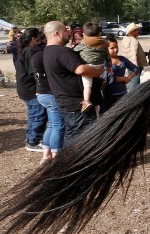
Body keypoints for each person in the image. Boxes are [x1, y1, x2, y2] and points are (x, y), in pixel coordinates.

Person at [42, 20, 103, 146]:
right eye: (66, 30)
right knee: (81, 139)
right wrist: (98, 71)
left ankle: (67, 163)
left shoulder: (48, 51)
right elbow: (80, 69)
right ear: (57, 33)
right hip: (77, 105)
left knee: (72, 135)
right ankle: (74, 163)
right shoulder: (62, 52)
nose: (69, 32)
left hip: (66, 103)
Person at [13, 27, 46, 151]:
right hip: (30, 88)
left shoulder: (24, 50)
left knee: (33, 114)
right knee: (39, 114)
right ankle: (33, 141)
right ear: (33, 38)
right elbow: (33, 71)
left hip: (24, 88)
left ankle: (31, 138)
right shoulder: (29, 51)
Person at [33, 29, 59, 165]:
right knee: (58, 126)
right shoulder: (47, 54)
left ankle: (46, 154)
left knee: (52, 125)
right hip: (50, 94)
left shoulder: (35, 54)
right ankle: (56, 158)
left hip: (41, 93)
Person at [74, 21, 111, 113]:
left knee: (87, 85)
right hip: (100, 65)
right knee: (95, 78)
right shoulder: (104, 43)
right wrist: (109, 66)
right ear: (99, 33)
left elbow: (74, 51)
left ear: (84, 34)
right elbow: (107, 56)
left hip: (88, 66)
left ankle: (86, 101)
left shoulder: (84, 44)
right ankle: (100, 81)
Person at [102, 37, 139, 109]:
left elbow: (135, 69)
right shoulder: (103, 61)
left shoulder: (122, 59)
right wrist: (123, 79)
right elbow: (108, 77)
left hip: (122, 93)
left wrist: (128, 78)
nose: (115, 50)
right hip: (108, 95)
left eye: (116, 47)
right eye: (112, 48)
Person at [118, 23, 145, 91]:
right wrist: (135, 68)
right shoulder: (133, 41)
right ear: (132, 31)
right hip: (134, 65)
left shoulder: (125, 39)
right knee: (135, 85)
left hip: (129, 64)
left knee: (133, 83)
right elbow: (133, 55)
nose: (138, 31)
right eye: (137, 30)